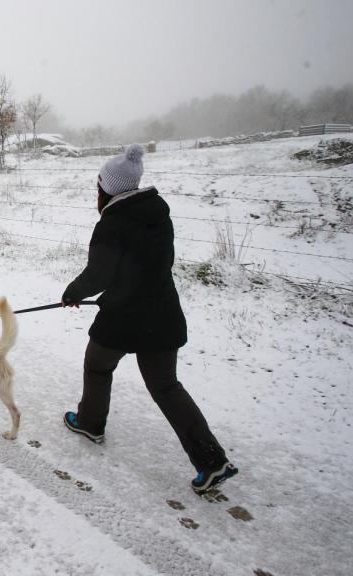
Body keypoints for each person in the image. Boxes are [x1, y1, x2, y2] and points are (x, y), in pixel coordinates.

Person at [60, 143, 237, 494]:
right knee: (166, 386)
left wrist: (72, 293)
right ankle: (212, 460)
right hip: (162, 313)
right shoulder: (157, 211)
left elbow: (99, 274)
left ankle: (91, 423)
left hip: (124, 317)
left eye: (99, 184)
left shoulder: (113, 223)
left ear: (108, 187)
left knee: (97, 365)